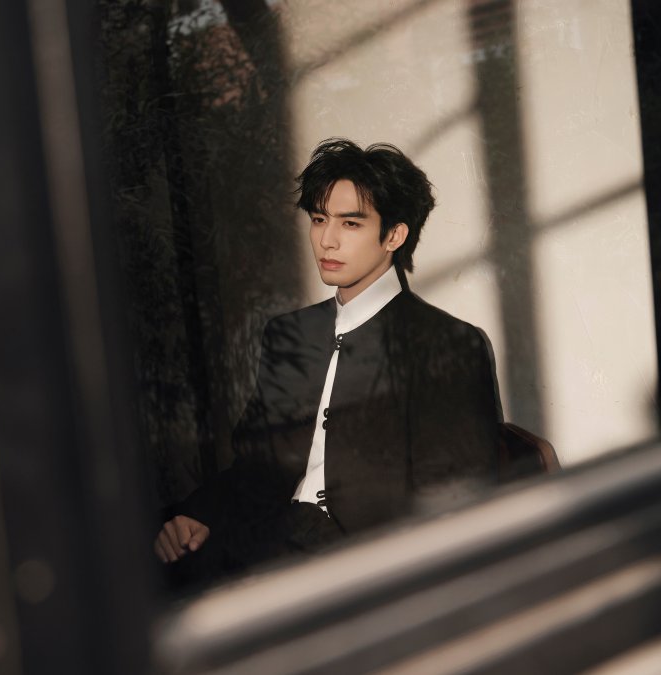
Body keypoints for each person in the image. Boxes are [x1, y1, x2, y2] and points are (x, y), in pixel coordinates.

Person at [154, 138, 501, 584]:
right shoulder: (290, 333)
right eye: (319, 219)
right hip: (262, 538)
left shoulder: (446, 344)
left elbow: (455, 503)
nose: (326, 240)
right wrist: (196, 514)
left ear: (394, 235)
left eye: (350, 223)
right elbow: (257, 465)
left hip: (359, 566)